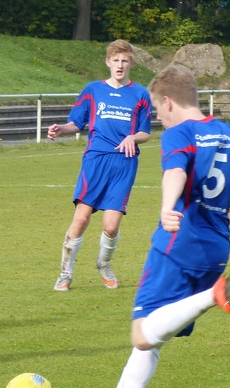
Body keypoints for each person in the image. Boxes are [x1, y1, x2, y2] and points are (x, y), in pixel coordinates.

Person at [87, 64, 230, 388]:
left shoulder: (180, 134)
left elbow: (175, 171)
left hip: (178, 240)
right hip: (216, 248)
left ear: (168, 102)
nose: (158, 118)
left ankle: (211, 297)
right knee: (154, 340)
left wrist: (169, 206)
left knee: (141, 334)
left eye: (156, 109)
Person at [48, 39, 152, 292]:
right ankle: (65, 273)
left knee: (111, 226)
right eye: (115, 60)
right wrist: (61, 129)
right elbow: (76, 123)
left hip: (124, 163)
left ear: (132, 64)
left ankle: (103, 263)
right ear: (108, 62)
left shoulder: (141, 94)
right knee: (81, 218)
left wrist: (132, 137)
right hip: (95, 160)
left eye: (124, 60)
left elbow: (145, 133)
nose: (120, 65)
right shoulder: (93, 90)